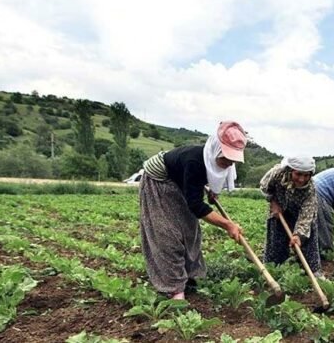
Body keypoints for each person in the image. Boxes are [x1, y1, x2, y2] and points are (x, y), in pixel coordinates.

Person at [138, 121, 245, 300]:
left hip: (178, 181)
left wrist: (213, 191)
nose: (228, 163)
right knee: (167, 234)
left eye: (232, 160)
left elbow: (205, 179)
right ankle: (173, 287)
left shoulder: (219, 162)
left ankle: (190, 277)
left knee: (190, 231)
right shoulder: (195, 160)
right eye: (225, 159)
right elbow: (195, 205)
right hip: (158, 181)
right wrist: (227, 225)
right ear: (216, 150)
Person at [260, 156, 323, 278]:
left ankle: (314, 271)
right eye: (298, 174)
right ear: (290, 170)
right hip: (279, 207)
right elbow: (264, 187)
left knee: (308, 240)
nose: (301, 179)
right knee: (276, 238)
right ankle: (273, 269)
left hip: (300, 211)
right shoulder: (277, 174)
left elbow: (307, 214)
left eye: (306, 175)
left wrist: (298, 235)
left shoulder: (310, 189)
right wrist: (273, 202)